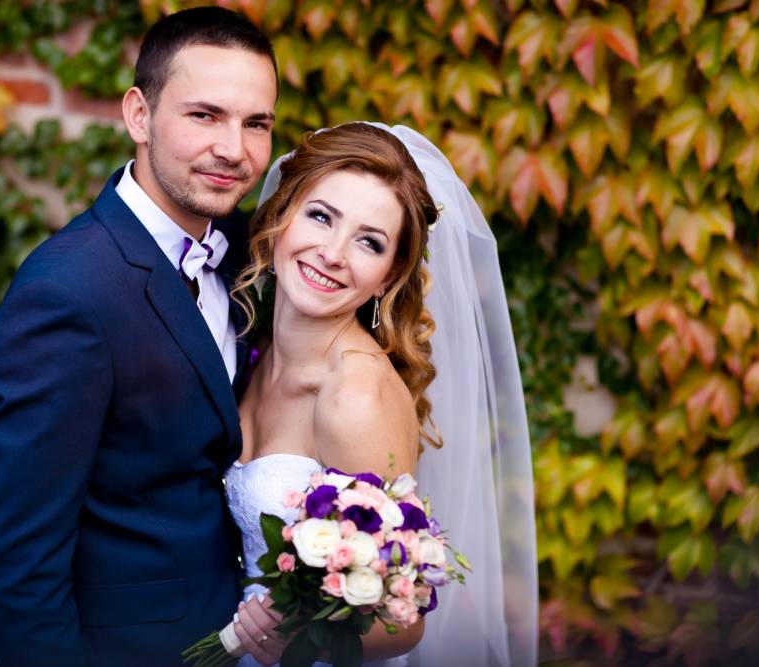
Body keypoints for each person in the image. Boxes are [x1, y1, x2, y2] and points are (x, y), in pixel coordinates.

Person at [0, 7, 280, 666]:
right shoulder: (66, 293)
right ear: (139, 115)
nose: (235, 149)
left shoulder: (248, 254)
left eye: (256, 123)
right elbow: (20, 568)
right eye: (205, 115)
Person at [223, 123, 538, 666]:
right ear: (281, 216)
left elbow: (403, 622)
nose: (333, 253)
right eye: (321, 216)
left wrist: (293, 635)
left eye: (369, 242)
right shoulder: (249, 347)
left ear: (389, 276)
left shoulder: (355, 398)